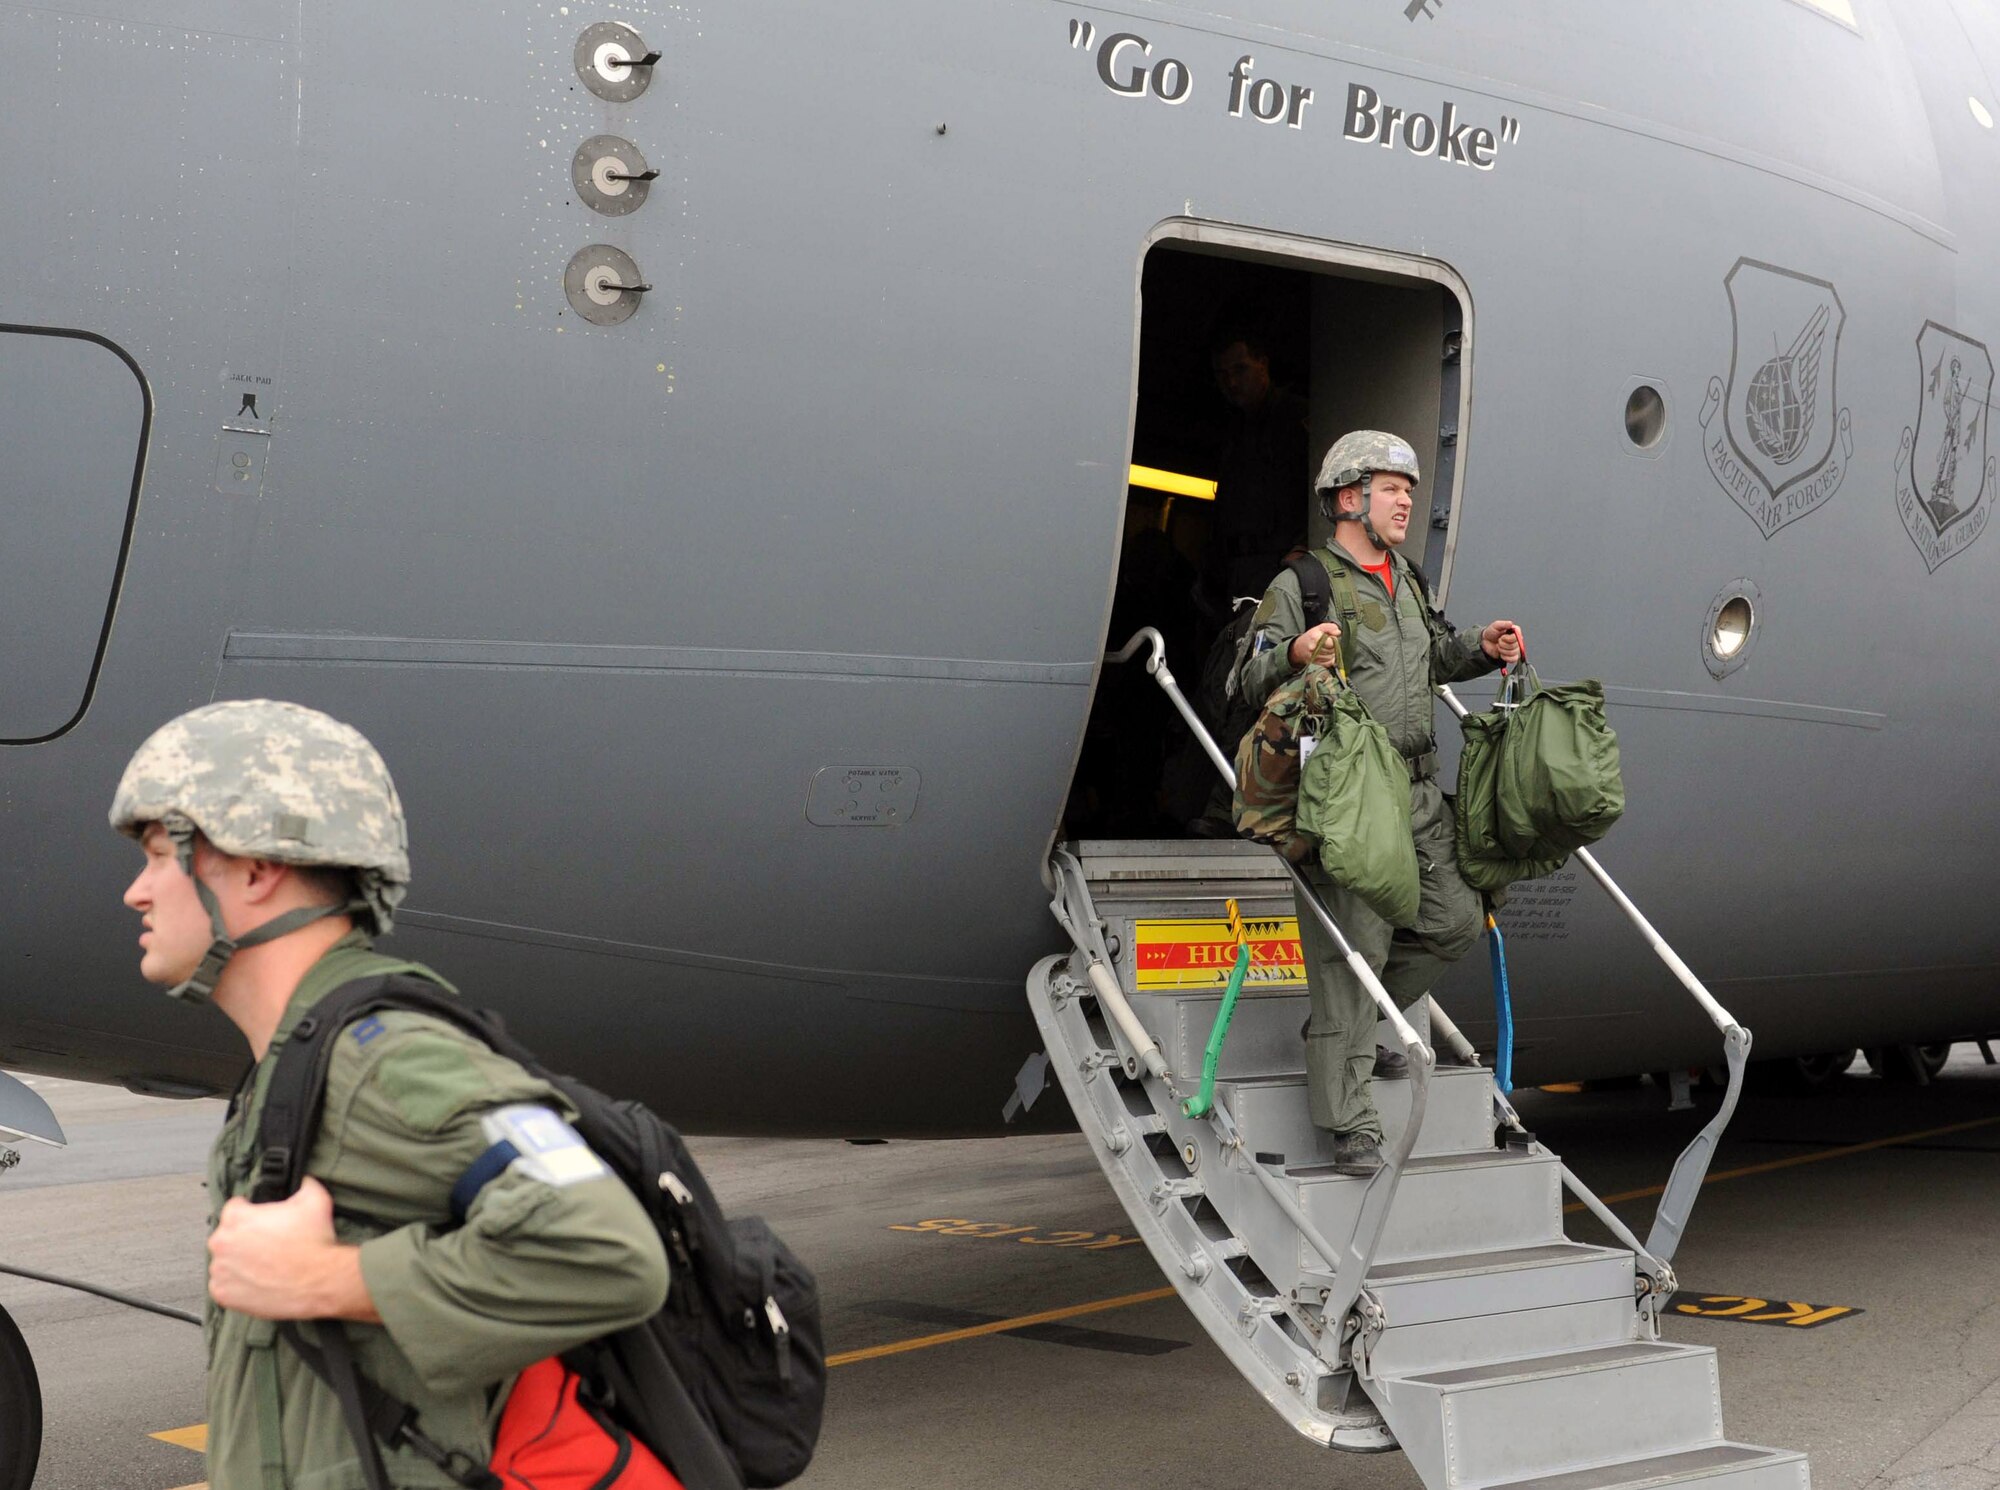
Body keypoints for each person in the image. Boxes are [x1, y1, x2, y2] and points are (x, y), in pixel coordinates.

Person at [111, 699, 669, 1489]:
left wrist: (326, 1279)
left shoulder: (390, 1058)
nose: (138, 891)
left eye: (162, 854)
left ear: (256, 865)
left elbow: (610, 1254)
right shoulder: (300, 1061)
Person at [1237, 431, 1524, 1176]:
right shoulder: (1303, 585)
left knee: (1456, 919)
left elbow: (1433, 657)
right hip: (1350, 792)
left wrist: (1482, 648)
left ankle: (1353, 1032)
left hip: (1418, 789)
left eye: (1407, 485)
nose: (1406, 498)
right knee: (1352, 951)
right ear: (1347, 498)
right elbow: (1244, 681)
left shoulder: (1405, 576)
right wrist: (1295, 653)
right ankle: (1350, 1121)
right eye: (1391, 485)